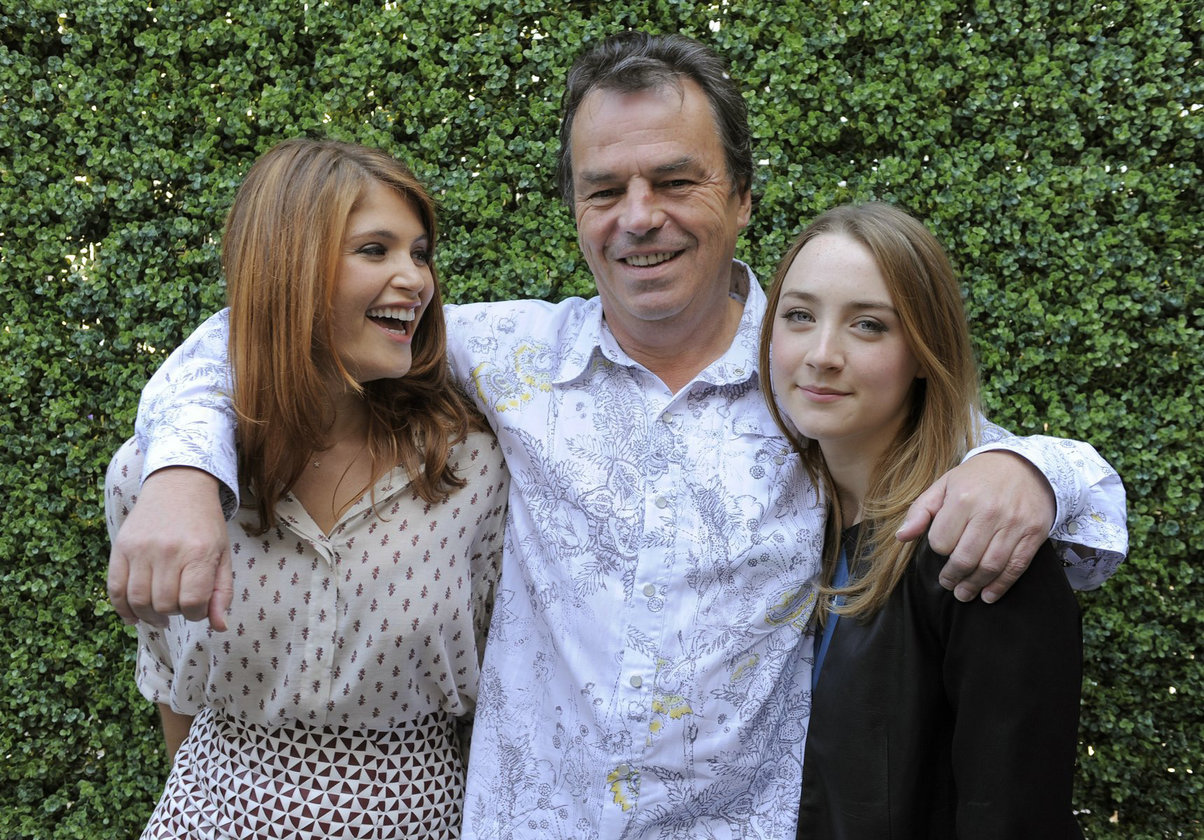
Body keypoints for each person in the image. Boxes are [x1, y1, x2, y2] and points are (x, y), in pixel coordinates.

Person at [107, 34, 1126, 839]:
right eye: (605, 190)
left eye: (675, 181)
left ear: (740, 198)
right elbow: (261, 331)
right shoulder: (503, 360)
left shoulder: (812, 375)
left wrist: (1025, 468)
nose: (640, 216)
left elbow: (1056, 496)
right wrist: (187, 474)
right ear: (577, 213)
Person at [103, 138, 509, 838]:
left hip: (419, 820)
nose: (416, 279)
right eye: (375, 250)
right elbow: (173, 686)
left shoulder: (471, 468)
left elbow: (499, 699)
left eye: (420, 252)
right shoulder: (156, 479)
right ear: (286, 267)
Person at [760, 203, 1087, 838]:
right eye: (799, 316)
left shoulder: (975, 545)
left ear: (923, 351)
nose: (821, 354)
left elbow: (1011, 817)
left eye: (869, 326)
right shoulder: (791, 519)